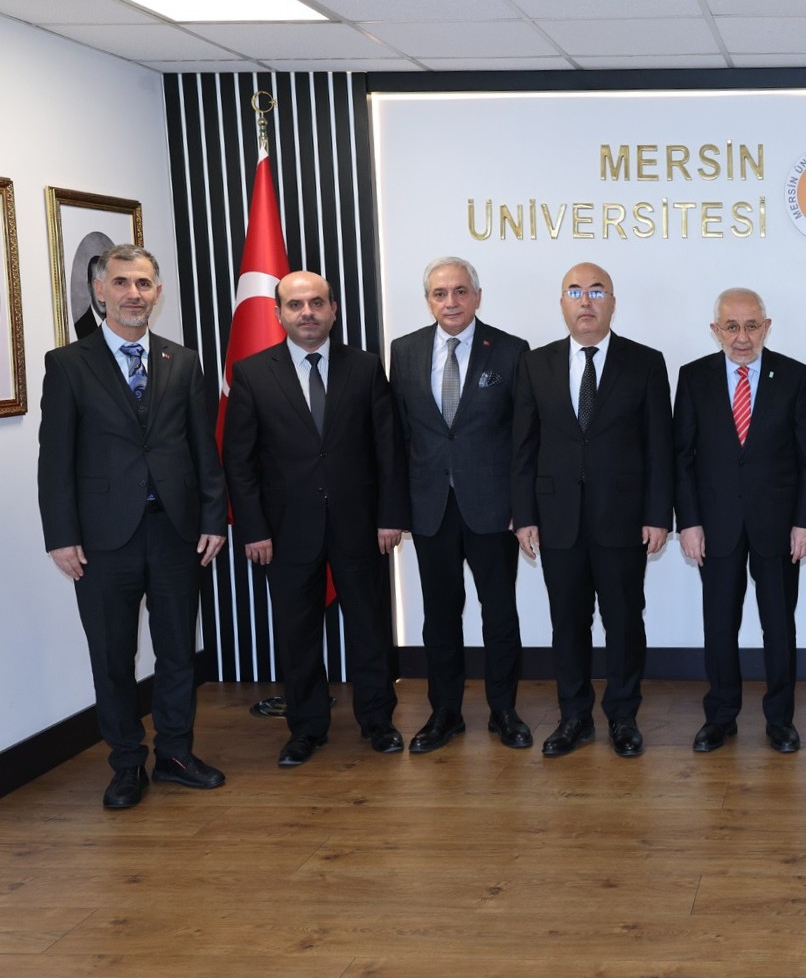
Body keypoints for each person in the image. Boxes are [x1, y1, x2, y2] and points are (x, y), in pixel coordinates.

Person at [38, 244, 228, 808]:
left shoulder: (183, 361)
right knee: (113, 658)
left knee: (177, 652)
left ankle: (175, 755)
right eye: (121, 283)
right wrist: (61, 535)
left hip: (176, 532)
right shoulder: (68, 364)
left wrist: (213, 517)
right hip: (101, 541)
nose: (133, 294)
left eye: (143, 284)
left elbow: (203, 449)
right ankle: (125, 764)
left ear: (157, 292)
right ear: (100, 291)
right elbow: (55, 459)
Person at [223, 270, 410, 767]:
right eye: (295, 304)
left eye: (317, 303)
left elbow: (388, 449)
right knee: (297, 633)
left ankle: (378, 721)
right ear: (278, 313)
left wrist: (390, 515)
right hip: (285, 530)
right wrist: (253, 528)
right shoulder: (252, 373)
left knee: (370, 628)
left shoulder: (365, 367)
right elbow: (239, 462)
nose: (307, 312)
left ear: (333, 310)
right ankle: (306, 728)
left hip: (361, 525)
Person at [512, 262, 672, 758]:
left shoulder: (645, 362)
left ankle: (623, 717)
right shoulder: (535, 364)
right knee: (568, 622)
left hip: (623, 518)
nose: (586, 301)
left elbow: (659, 446)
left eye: (597, 292)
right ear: (562, 303)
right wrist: (524, 514)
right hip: (556, 519)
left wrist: (658, 514)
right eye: (576, 291)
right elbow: (523, 446)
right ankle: (574, 717)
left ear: (612, 303)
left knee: (624, 621)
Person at [391, 257, 531, 754]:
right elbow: (399, 435)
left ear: (477, 295)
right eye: (439, 293)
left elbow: (523, 437)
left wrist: (522, 506)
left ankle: (504, 711)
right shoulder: (404, 350)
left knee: (500, 613)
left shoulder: (510, 350)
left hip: (493, 507)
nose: (450, 302)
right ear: (428, 300)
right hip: (430, 506)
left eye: (459, 291)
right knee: (439, 615)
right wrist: (397, 509)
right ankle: (444, 713)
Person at [674, 288, 806, 753]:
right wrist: (688, 522)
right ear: (715, 330)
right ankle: (720, 717)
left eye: (752, 326)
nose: (742, 337)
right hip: (714, 526)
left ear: (766, 327)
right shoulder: (693, 377)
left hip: (778, 526)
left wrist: (804, 522)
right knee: (719, 625)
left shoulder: (794, 376)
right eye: (732, 327)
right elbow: (682, 458)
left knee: (778, 626)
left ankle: (780, 720)